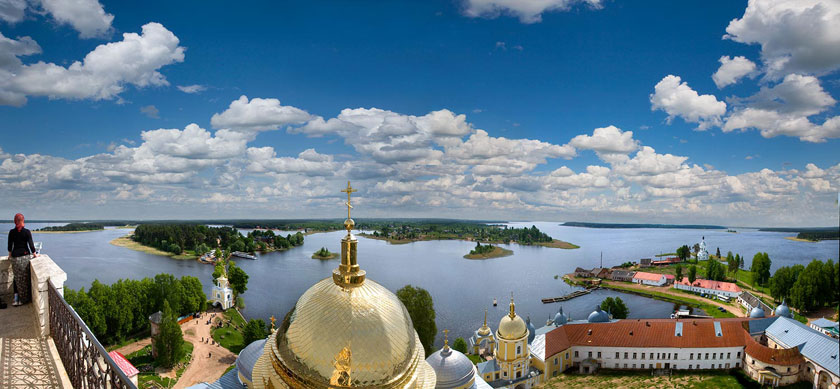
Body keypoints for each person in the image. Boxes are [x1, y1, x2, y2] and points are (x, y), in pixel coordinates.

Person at [7, 213, 37, 306]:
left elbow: (10, 246)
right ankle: (24, 299)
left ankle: (16, 299)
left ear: (15, 221)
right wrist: (35, 254)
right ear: (23, 220)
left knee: (17, 278)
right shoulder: (27, 232)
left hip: (15, 258)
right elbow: (31, 245)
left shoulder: (12, 232)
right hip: (24, 257)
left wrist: (10, 254)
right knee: (25, 278)